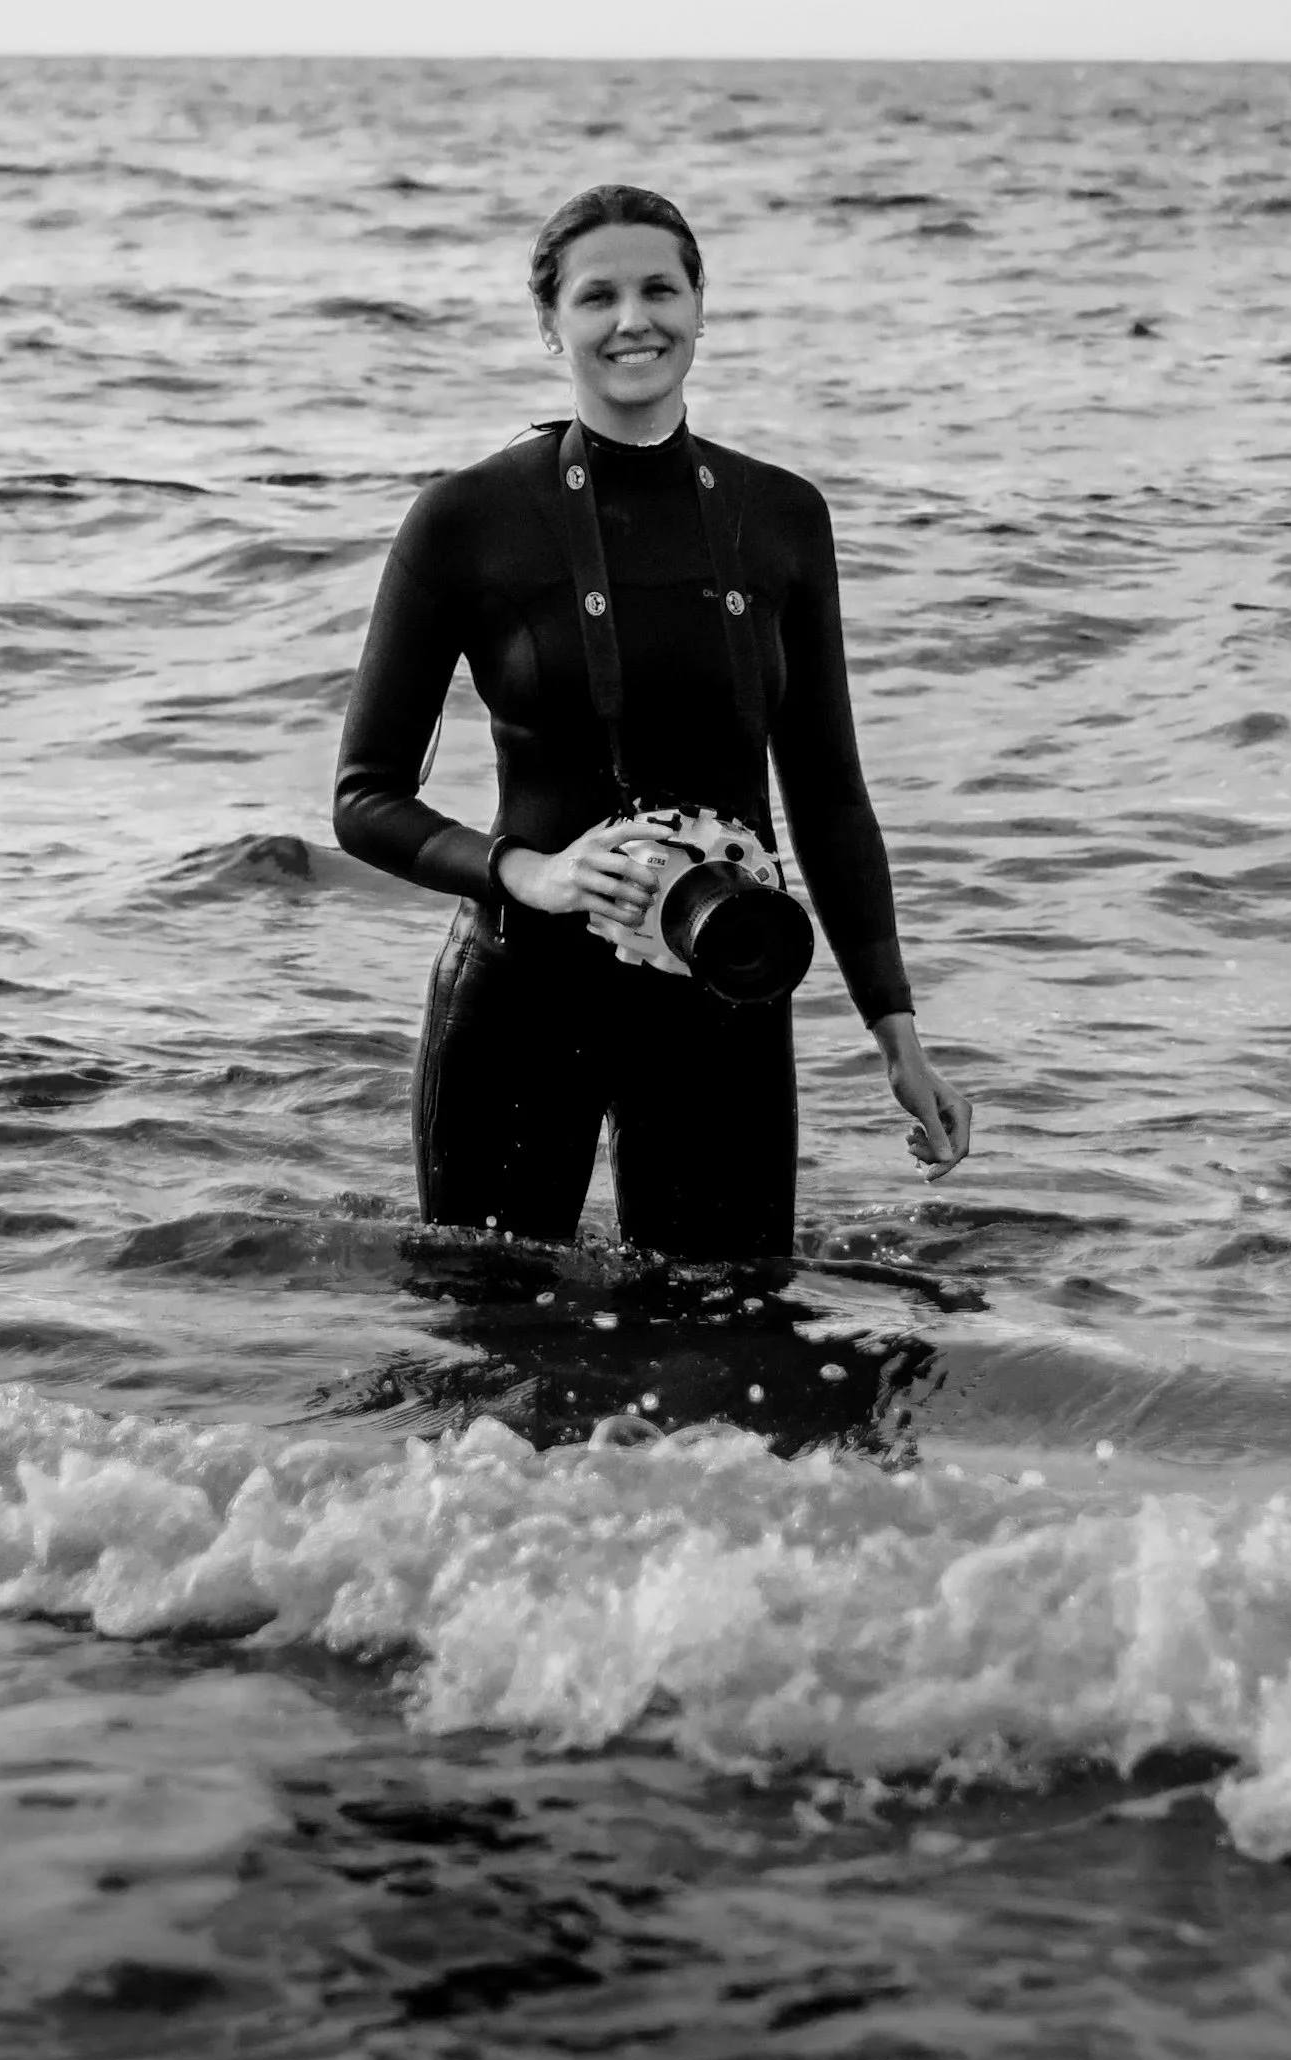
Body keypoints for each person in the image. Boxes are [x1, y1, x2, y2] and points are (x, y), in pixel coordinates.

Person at [333, 183, 973, 1262]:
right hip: (519, 998)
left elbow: (825, 792)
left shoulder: (780, 516)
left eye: (658, 289)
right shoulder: (464, 520)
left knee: (729, 1345)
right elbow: (363, 798)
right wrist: (528, 873)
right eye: (597, 297)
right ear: (551, 325)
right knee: (489, 1349)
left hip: (723, 987)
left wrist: (895, 1034)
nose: (633, 320)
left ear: (699, 306)